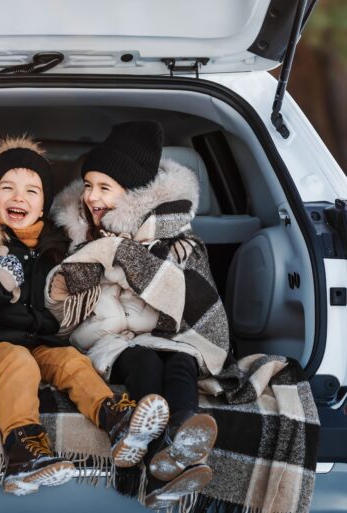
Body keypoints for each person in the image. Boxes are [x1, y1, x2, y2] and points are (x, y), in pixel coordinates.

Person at [0, 135, 169, 496]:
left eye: (32, 191)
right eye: (8, 188)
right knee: (20, 362)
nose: (19, 197)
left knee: (70, 361)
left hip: (41, 341)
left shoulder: (56, 247)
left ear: (43, 206)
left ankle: (115, 419)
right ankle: (23, 450)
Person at [47, 121, 227, 508]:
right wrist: (107, 257)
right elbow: (60, 296)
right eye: (89, 184)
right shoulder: (78, 237)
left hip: (159, 334)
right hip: (105, 339)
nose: (92, 196)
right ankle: (163, 449)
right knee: (144, 362)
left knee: (179, 360)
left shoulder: (176, 242)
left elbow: (192, 296)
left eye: (104, 188)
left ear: (132, 196)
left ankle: (181, 436)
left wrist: (132, 260)